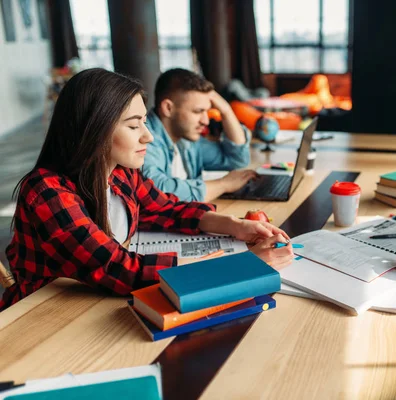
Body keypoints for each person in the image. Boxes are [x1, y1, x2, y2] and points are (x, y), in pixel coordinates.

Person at [0, 68, 294, 311]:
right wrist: (241, 264)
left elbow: (165, 209)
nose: (149, 136)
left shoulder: (122, 173)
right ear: (94, 130)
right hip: (41, 318)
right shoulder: (46, 193)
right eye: (133, 126)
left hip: (88, 304)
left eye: (144, 122)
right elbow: (120, 269)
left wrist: (233, 225)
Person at [143, 68, 257, 202]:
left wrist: (226, 111)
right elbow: (156, 190)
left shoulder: (186, 139)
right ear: (168, 108)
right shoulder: (144, 138)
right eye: (198, 111)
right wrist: (223, 185)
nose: (206, 121)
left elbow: (237, 159)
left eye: (206, 111)